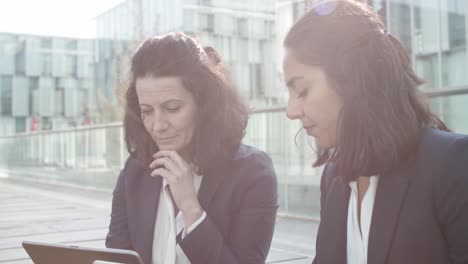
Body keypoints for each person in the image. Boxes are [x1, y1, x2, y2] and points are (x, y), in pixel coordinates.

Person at [282, 1, 468, 263]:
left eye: (301, 90)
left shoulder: (453, 165)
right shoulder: (334, 176)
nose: (291, 111)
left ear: (354, 81)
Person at [106, 32, 278, 264]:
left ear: (205, 105)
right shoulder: (135, 171)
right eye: (147, 111)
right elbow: (116, 258)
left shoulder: (253, 173)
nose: (158, 126)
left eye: (172, 108)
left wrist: (190, 208)